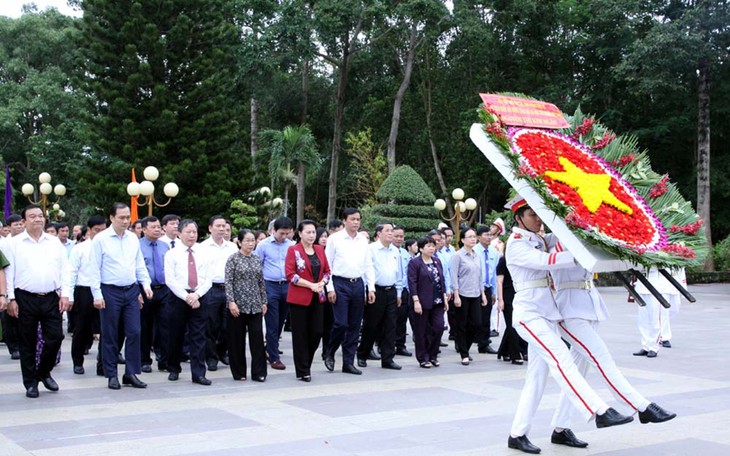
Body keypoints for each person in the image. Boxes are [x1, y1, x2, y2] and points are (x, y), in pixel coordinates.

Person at [504, 196, 633, 454]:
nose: (538, 219)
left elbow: (567, 234)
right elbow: (546, 262)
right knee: (561, 358)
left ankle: (519, 433)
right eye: (532, 214)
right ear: (518, 218)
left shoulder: (538, 238)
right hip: (529, 314)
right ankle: (597, 410)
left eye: (539, 214)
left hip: (547, 314)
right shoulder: (516, 243)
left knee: (537, 378)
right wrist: (581, 257)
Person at [547, 241, 677, 449]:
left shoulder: (582, 238)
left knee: (578, 372)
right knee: (602, 359)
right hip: (569, 311)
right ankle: (641, 406)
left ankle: (560, 428)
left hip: (588, 306)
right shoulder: (556, 243)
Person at [5, 205, 69, 398]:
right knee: (28, 342)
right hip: (25, 297)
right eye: (32, 216)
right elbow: (9, 272)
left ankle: (43, 372)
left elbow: (64, 269)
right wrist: (11, 299)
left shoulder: (53, 242)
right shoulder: (14, 244)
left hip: (51, 296)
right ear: (24, 221)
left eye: (40, 216)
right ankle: (31, 382)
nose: (37, 219)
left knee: (56, 337)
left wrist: (66, 294)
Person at [91, 203, 152, 390]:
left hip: (131, 290)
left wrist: (146, 285)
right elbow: (94, 268)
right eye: (122, 217)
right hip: (110, 291)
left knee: (134, 331)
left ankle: (130, 373)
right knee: (110, 334)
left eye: (128, 217)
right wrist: (97, 294)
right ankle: (111, 374)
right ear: (111, 218)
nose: (126, 221)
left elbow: (139, 263)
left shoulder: (133, 238)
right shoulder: (101, 239)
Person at [324, 208, 375, 375]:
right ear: (344, 220)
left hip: (358, 284)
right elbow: (327, 265)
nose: (356, 222)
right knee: (341, 323)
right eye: (352, 219)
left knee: (354, 325)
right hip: (340, 283)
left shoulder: (362, 240)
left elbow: (368, 265)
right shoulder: (334, 239)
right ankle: (330, 352)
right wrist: (329, 287)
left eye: (358, 219)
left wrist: (370, 287)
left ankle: (348, 362)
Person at [165, 219, 213, 385]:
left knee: (199, 335)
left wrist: (197, 295)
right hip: (178, 297)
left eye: (195, 232)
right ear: (179, 233)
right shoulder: (172, 253)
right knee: (175, 334)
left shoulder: (204, 252)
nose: (192, 235)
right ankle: (173, 367)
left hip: (199, 296)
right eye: (188, 232)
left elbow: (209, 278)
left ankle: (198, 373)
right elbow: (170, 280)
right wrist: (187, 297)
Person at [285, 220, 331, 382]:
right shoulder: (293, 250)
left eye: (313, 232)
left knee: (317, 332)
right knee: (300, 335)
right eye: (308, 232)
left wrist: (322, 283)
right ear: (300, 233)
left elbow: (327, 271)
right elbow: (291, 275)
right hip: (299, 298)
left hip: (318, 296)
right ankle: (303, 369)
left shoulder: (319, 249)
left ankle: (306, 363)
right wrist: (310, 285)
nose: (311, 235)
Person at [357, 222, 403, 370]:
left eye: (392, 230)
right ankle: (363, 354)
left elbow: (399, 273)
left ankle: (388, 358)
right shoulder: (370, 249)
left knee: (391, 326)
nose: (391, 233)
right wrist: (367, 291)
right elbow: (366, 272)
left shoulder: (395, 251)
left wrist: (399, 292)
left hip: (391, 291)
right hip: (376, 291)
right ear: (379, 233)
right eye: (387, 231)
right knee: (372, 324)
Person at [64, 215, 107, 374]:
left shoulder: (109, 246)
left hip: (105, 289)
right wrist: (70, 296)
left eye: (103, 230)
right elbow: (72, 272)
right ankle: (77, 361)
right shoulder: (80, 248)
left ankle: (103, 363)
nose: (100, 233)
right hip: (84, 291)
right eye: (97, 230)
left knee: (106, 328)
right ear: (88, 231)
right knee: (81, 327)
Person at [225, 229, 268, 382]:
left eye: (252, 240)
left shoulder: (256, 259)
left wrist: (264, 301)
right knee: (237, 340)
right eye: (247, 241)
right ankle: (239, 372)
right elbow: (228, 282)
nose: (251, 244)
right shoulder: (233, 259)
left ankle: (259, 372)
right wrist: (231, 302)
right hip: (237, 305)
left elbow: (261, 282)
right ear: (239, 242)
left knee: (257, 340)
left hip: (255, 304)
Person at [254, 217, 294, 371]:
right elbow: (258, 267)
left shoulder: (291, 246)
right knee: (272, 321)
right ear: (274, 230)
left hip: (287, 285)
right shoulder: (263, 246)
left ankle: (271, 348)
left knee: (281, 321)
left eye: (287, 233)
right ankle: (274, 357)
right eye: (281, 233)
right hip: (269, 285)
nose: (284, 236)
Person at [199, 215, 238, 371]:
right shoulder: (202, 247)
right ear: (210, 228)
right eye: (218, 226)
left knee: (228, 325)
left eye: (224, 226)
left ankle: (222, 352)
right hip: (211, 289)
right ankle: (211, 357)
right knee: (211, 325)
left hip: (229, 289)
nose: (222, 229)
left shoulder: (232, 247)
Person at [407, 236, 448, 368]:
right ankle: (423, 357)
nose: (432, 248)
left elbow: (441, 281)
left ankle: (433, 355)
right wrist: (416, 301)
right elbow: (412, 282)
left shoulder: (437, 261)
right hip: (422, 301)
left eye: (433, 245)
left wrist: (445, 298)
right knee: (421, 331)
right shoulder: (415, 263)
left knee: (439, 327)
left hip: (438, 301)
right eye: (428, 246)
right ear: (420, 248)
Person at [138, 216, 172, 373]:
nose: (157, 229)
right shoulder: (137, 246)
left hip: (164, 290)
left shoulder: (165, 246)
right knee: (145, 326)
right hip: (145, 290)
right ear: (144, 229)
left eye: (159, 227)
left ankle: (164, 360)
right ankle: (144, 360)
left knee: (165, 326)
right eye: (153, 227)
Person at [450, 227, 487, 365]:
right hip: (462, 294)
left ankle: (465, 346)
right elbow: (454, 276)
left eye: (474, 236)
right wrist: (456, 294)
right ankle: (464, 354)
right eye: (470, 236)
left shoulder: (477, 255)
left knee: (477, 323)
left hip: (476, 293)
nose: (473, 239)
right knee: (461, 324)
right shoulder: (457, 256)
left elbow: (480, 276)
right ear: (463, 240)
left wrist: (483, 294)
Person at [634, 267, 686, 357]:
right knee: (643, 320)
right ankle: (645, 346)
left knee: (656, 319)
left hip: (657, 286)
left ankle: (653, 347)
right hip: (642, 284)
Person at [496, 254, 526, 364]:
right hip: (507, 295)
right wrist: (500, 300)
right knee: (512, 325)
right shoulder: (504, 260)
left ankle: (504, 351)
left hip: (519, 293)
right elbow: (499, 281)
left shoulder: (520, 258)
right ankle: (515, 354)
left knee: (514, 324)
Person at [474, 225, 499, 354]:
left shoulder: (494, 252)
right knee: (474, 318)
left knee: (486, 317)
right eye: (486, 235)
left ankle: (484, 344)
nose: (489, 237)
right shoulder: (473, 251)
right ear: (478, 237)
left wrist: (494, 292)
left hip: (488, 288)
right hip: (474, 289)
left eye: (490, 235)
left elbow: (494, 273)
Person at [392, 226, 412, 357]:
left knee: (402, 319)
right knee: (388, 320)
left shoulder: (405, 253)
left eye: (401, 236)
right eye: (396, 236)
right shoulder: (389, 251)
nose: (399, 239)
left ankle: (400, 345)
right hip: (391, 288)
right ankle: (385, 345)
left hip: (404, 290)